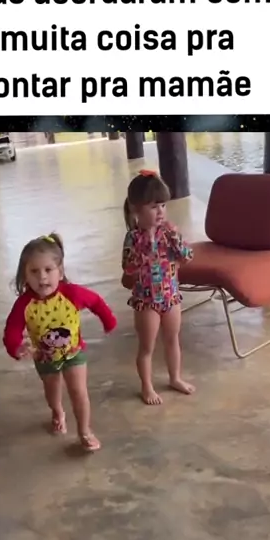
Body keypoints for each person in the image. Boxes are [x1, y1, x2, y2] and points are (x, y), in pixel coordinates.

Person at [3, 233, 117, 452]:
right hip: (44, 358)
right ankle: (57, 411)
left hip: (74, 353)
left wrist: (108, 320)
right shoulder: (24, 305)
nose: (42, 277)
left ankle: (84, 431)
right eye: (34, 271)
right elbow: (12, 329)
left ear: (60, 272)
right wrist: (16, 347)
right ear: (25, 275)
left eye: (48, 269)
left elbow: (95, 301)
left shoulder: (72, 293)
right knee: (52, 391)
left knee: (79, 392)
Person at [122, 170, 195, 406]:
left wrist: (175, 238)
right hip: (146, 301)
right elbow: (127, 268)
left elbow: (187, 257)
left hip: (170, 296)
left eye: (163, 205)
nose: (161, 212)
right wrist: (143, 248)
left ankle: (175, 378)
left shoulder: (169, 233)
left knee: (173, 339)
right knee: (147, 346)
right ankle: (147, 386)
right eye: (154, 207)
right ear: (136, 210)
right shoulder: (133, 238)